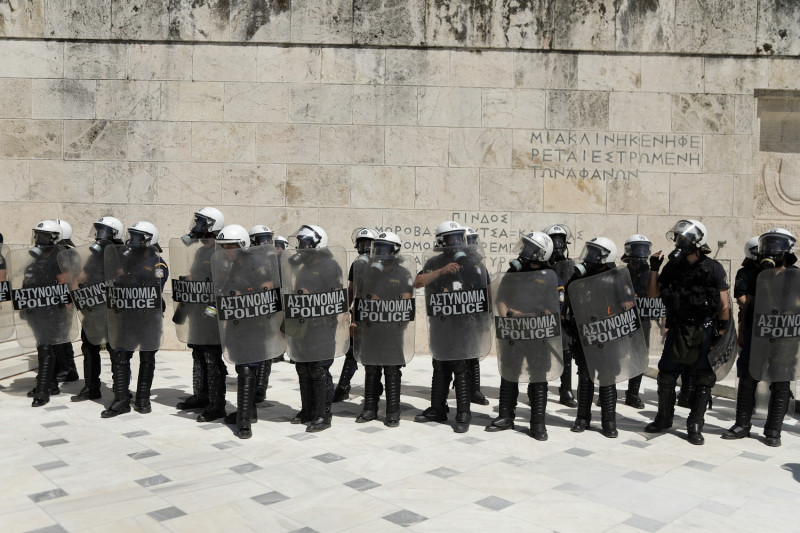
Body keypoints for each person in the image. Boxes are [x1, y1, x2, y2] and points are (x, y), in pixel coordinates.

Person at [644, 219, 730, 445]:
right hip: (679, 329)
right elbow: (653, 294)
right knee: (667, 375)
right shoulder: (673, 267)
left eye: (684, 239)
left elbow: (724, 305)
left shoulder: (713, 268)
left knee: (703, 378)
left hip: (704, 329)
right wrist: (654, 267)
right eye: (678, 238)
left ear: (697, 242)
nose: (679, 242)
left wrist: (721, 332)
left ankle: (695, 424)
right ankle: (664, 418)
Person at [414, 221, 491, 433]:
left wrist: (484, 319)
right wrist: (441, 272)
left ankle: (463, 413)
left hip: (464, 324)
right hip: (442, 324)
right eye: (451, 238)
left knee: (461, 367)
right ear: (441, 240)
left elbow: (485, 289)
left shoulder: (473, 262)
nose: (455, 243)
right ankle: (438, 408)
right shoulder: (434, 262)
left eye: (458, 237)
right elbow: (418, 282)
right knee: (440, 365)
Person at [486, 231, 565, 440]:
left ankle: (538, 423)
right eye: (526, 246)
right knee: (509, 373)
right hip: (515, 333)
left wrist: (521, 315)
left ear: (541, 254)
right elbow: (501, 299)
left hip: (539, 336)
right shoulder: (514, 272)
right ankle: (505, 416)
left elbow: (553, 311)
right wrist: (507, 316)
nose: (524, 251)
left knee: (538, 377)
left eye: (530, 248)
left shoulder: (551, 278)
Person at [723, 229, 798, 447]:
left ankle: (773, 430)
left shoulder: (795, 274)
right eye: (769, 246)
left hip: (784, 336)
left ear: (787, 251)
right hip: (757, 333)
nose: (771, 251)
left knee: (781, 383)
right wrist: (743, 329)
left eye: (777, 247)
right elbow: (745, 303)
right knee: (747, 378)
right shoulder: (752, 272)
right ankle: (742, 425)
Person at [212, 224, 282, 439]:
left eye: (231, 246)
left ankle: (244, 423)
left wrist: (245, 291)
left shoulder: (256, 262)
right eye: (224, 246)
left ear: (242, 245)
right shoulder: (229, 264)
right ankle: (248, 412)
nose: (227, 250)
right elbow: (222, 290)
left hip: (254, 326)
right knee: (243, 368)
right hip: (236, 324)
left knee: (246, 369)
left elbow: (268, 288)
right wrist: (211, 309)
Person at [567, 237, 637, 438]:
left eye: (594, 253)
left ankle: (608, 422)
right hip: (585, 335)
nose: (590, 257)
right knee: (586, 377)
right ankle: (582, 418)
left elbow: (627, 306)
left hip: (607, 335)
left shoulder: (616, 278)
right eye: (589, 251)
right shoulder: (579, 276)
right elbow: (567, 303)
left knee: (607, 379)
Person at [101, 221, 168, 418]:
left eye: (138, 237)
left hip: (148, 318)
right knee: (120, 355)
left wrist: (127, 277)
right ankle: (121, 400)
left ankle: (143, 399)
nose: (132, 241)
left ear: (149, 240)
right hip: (127, 316)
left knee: (147, 357)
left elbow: (155, 284)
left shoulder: (158, 263)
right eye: (132, 236)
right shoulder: (125, 260)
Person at [284, 225, 345, 432]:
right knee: (302, 367)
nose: (301, 247)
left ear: (318, 244)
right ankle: (308, 410)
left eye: (305, 243)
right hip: (303, 324)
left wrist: (311, 294)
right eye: (300, 243)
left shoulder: (330, 265)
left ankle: (323, 415)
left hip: (322, 325)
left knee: (319, 369)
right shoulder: (304, 265)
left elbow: (336, 296)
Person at [352, 231, 415, 427]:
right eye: (377, 248)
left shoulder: (402, 273)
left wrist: (386, 304)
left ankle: (392, 411)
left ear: (394, 250)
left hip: (392, 329)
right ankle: (370, 408)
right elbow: (360, 295)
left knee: (392, 369)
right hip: (371, 327)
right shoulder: (368, 271)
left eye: (384, 248)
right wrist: (355, 319)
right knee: (370, 367)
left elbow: (406, 299)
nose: (380, 252)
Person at [173, 207, 228, 423]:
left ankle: (217, 404)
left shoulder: (222, 250)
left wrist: (211, 310)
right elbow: (198, 274)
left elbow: (223, 282)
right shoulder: (201, 251)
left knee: (212, 357)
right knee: (197, 353)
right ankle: (201, 395)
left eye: (201, 223)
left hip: (212, 311)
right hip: (197, 309)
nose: (196, 228)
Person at [17, 221, 74, 407]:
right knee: (42, 347)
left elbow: (63, 285)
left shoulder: (59, 258)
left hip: (52, 311)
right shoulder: (37, 257)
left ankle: (43, 391)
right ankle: (51, 384)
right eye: (38, 235)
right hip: (36, 310)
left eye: (44, 235)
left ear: (55, 237)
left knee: (45, 349)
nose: (40, 239)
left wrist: (64, 311)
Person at [68, 216, 125, 402]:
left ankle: (120, 392)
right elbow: (81, 277)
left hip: (112, 311)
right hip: (93, 310)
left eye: (104, 231)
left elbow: (121, 278)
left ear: (114, 233)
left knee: (115, 351)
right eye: (98, 230)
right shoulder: (94, 255)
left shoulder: (120, 253)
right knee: (89, 347)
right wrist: (78, 298)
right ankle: (91, 387)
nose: (99, 235)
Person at [333, 228, 377, 402]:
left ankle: (375, 387)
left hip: (376, 314)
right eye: (362, 243)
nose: (365, 247)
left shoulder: (381, 264)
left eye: (368, 243)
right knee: (352, 350)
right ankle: (343, 387)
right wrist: (346, 310)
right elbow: (352, 289)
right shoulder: (356, 264)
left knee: (373, 354)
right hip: (359, 312)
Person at [544, 224, 578, 408]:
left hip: (563, 314)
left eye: (560, 240)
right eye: (553, 240)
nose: (558, 244)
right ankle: (538, 388)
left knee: (566, 353)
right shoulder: (541, 264)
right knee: (543, 354)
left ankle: (566, 390)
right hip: (544, 314)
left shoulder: (571, 264)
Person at [619, 234, 653, 409]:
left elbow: (653, 296)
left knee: (638, 356)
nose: (641, 252)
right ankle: (606, 391)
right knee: (615, 354)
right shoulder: (621, 272)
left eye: (643, 248)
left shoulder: (650, 273)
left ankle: (632, 394)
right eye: (637, 248)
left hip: (642, 320)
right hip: (620, 318)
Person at [464, 227, 489, 406]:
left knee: (474, 354)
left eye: (474, 240)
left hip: (474, 317)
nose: (473, 244)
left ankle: (475, 389)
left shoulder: (479, 265)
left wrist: (486, 316)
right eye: (469, 240)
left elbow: (487, 289)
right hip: (455, 318)